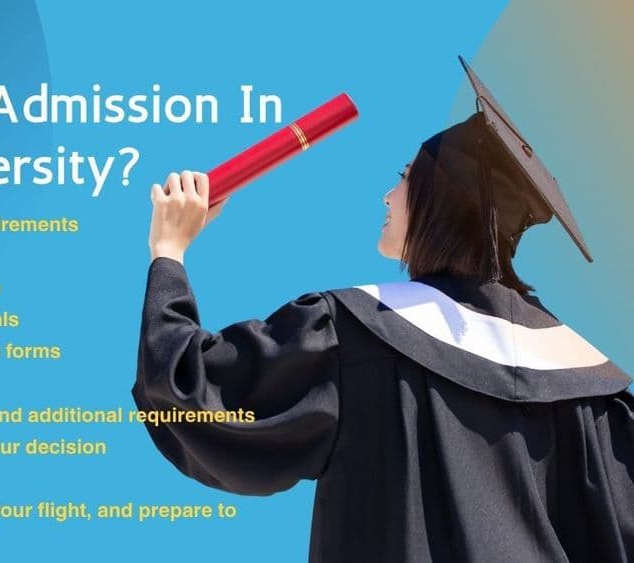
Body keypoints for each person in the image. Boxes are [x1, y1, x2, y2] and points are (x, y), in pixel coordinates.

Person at [131, 59, 634, 563]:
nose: (388, 195)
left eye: (404, 177)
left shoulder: (355, 335)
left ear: (436, 200)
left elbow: (189, 394)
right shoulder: (590, 395)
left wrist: (169, 251)